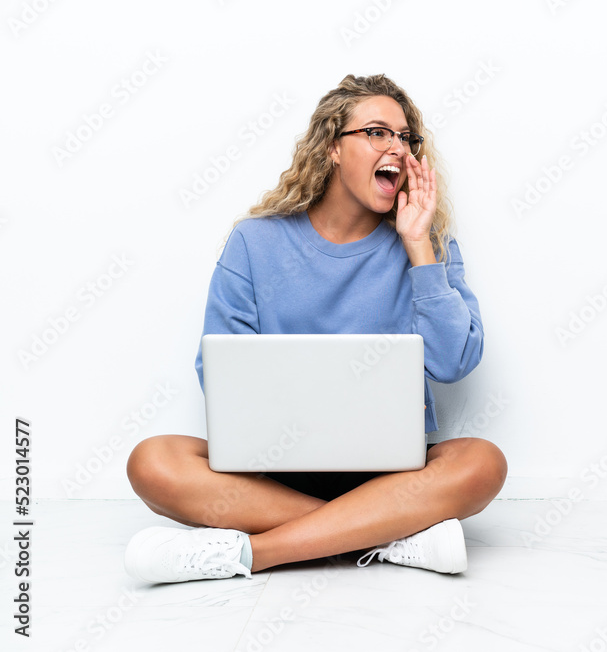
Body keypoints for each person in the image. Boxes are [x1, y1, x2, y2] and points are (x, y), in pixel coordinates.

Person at [123, 74, 507, 584]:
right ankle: (391, 538)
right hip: (273, 472)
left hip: (389, 474)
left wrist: (419, 249)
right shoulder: (255, 243)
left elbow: (455, 361)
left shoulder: (428, 243)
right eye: (376, 132)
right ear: (331, 148)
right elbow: (220, 375)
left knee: (483, 463)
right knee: (152, 461)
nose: (396, 145)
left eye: (405, 136)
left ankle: (251, 554)